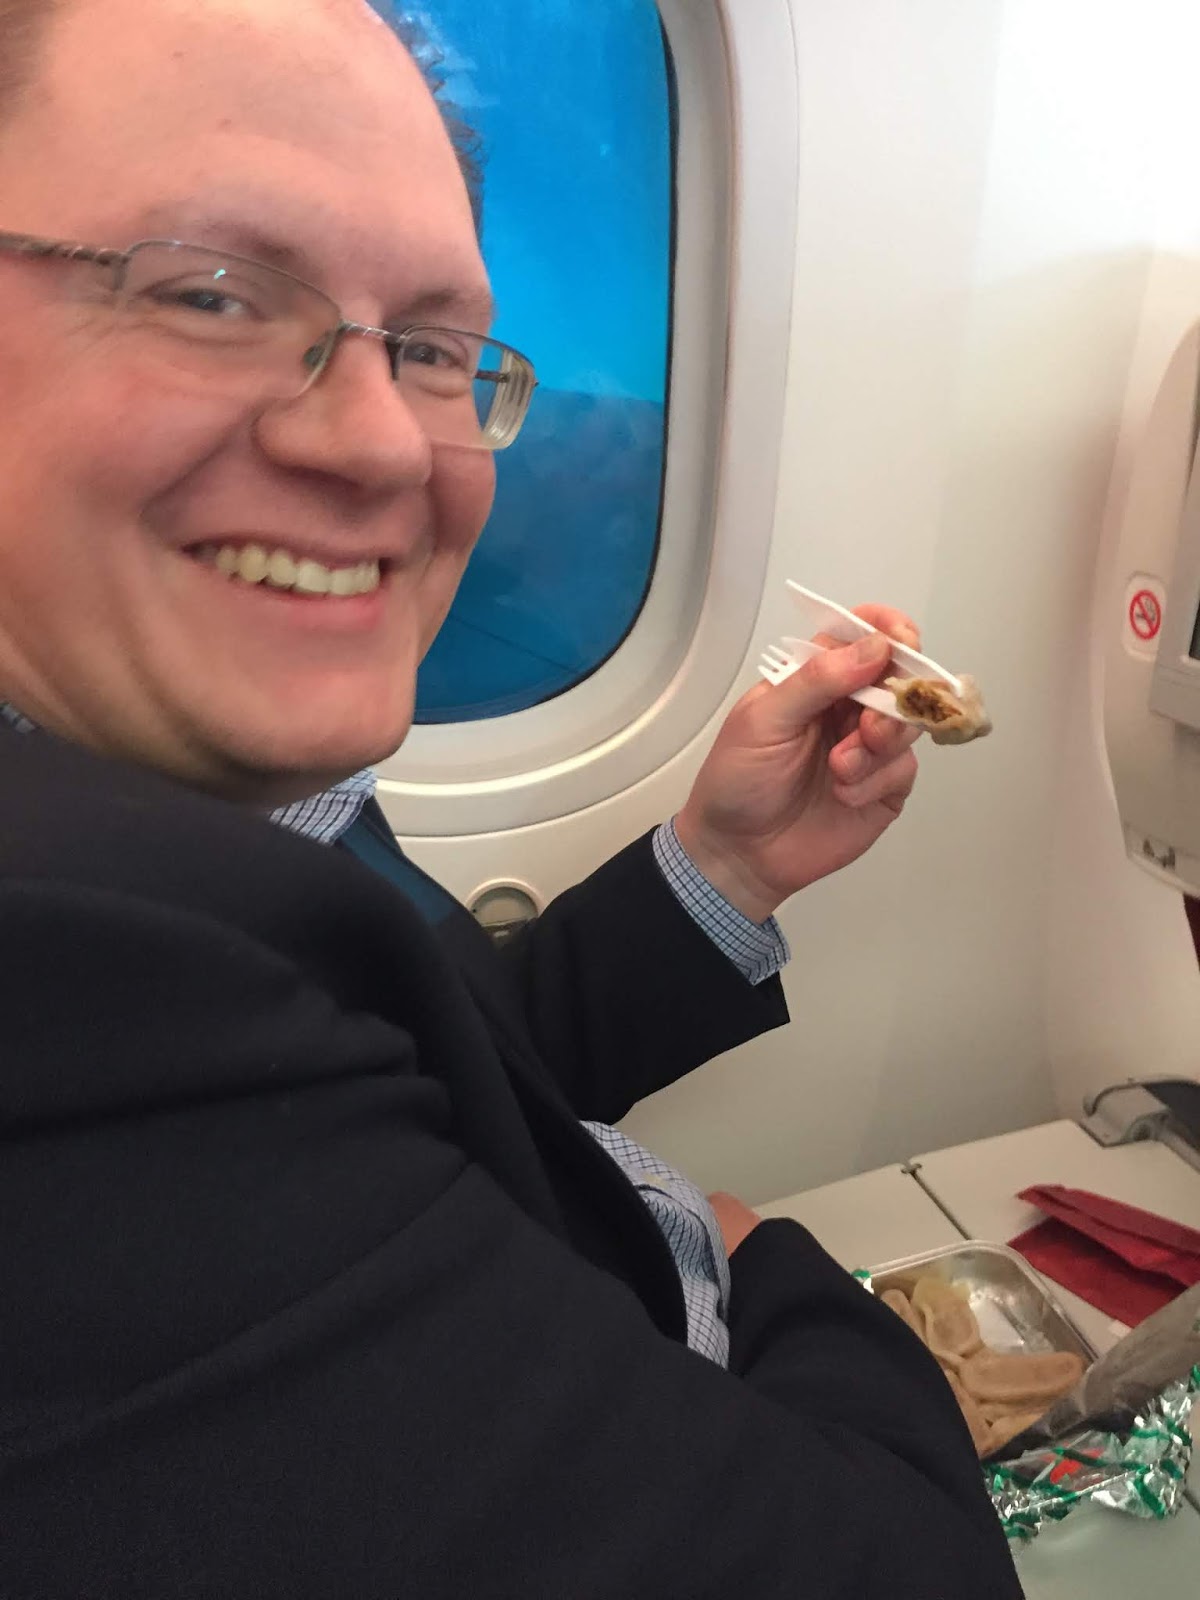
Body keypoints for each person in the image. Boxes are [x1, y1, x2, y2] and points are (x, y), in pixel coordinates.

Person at [0, 1, 1023, 1595]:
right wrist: (761, 1261)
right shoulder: (71, 1017)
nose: (381, 446)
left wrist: (722, 868)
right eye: (210, 293)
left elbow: (424, 1053)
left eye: (426, 348)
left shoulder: (212, 788)